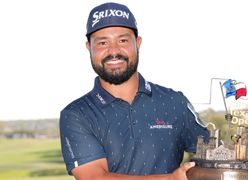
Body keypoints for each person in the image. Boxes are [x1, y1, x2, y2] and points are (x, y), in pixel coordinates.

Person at [59, 2, 209, 180]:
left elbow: (212, 153)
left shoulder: (175, 101)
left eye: (123, 40)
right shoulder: (77, 114)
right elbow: (95, 177)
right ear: (88, 47)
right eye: (102, 42)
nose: (113, 51)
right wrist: (171, 179)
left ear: (138, 43)